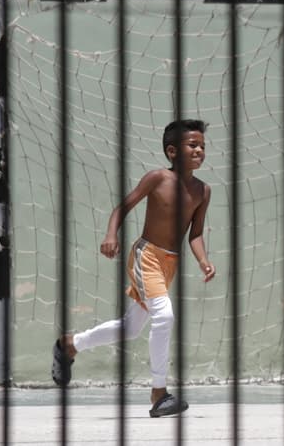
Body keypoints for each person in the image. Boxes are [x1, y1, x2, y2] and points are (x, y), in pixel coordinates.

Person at [50, 118, 216, 418]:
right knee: (164, 316)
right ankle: (159, 392)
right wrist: (111, 234)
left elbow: (195, 234)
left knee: (131, 328)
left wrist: (203, 260)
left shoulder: (203, 191)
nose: (199, 150)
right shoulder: (157, 178)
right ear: (172, 151)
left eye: (203, 146)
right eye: (193, 145)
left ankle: (70, 345)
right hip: (146, 256)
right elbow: (122, 208)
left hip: (169, 264)